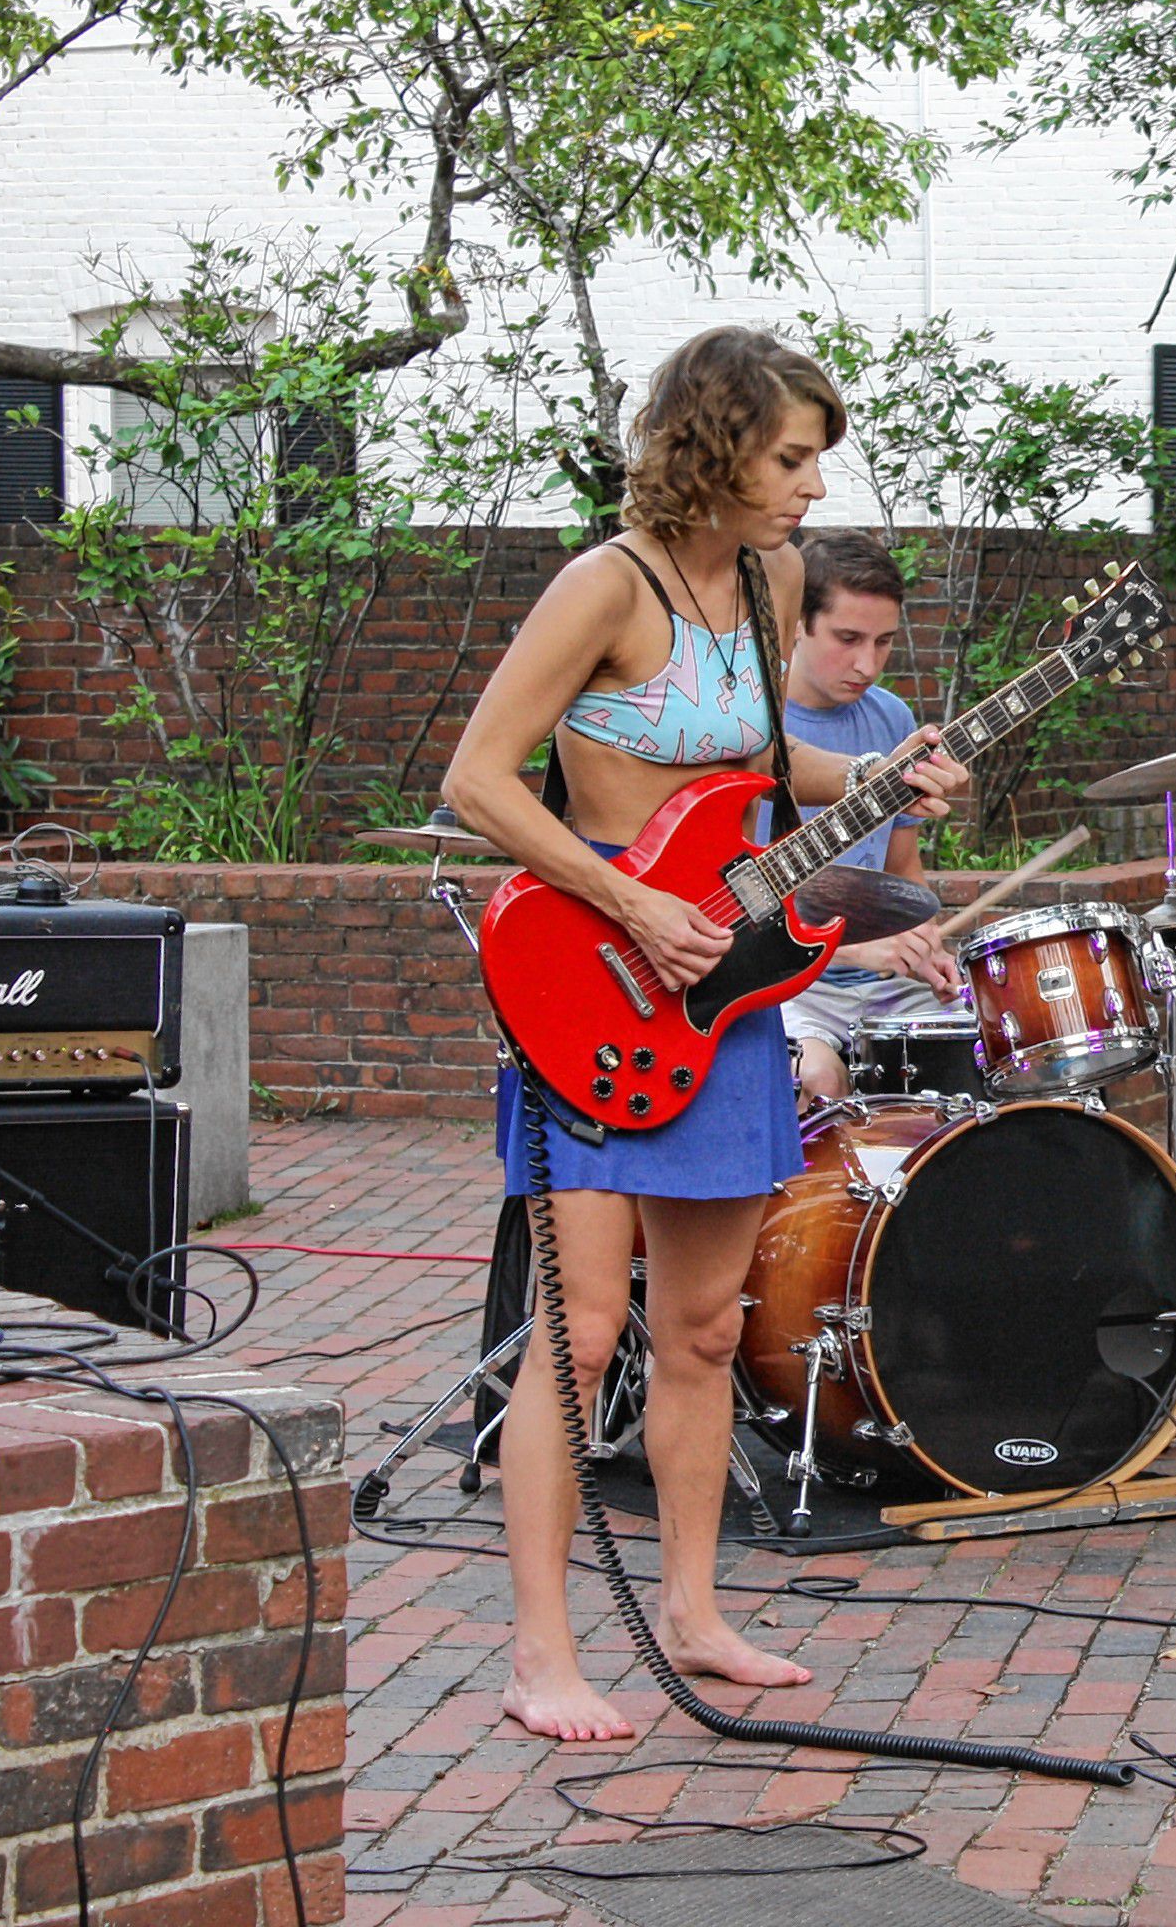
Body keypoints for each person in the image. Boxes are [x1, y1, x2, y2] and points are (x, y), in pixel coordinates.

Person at [442, 325, 970, 1742]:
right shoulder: (599, 587)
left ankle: (693, 1611)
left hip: (724, 1002)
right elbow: (480, 782)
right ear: (718, 442)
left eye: (814, 460)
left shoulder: (773, 580)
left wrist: (876, 775)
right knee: (582, 1331)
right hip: (589, 995)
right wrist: (623, 896)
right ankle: (543, 1653)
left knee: (700, 1329)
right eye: (792, 456)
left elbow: (751, 773)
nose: (810, 485)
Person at [776, 531, 968, 1103]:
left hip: (883, 984)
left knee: (990, 1047)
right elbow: (740, 917)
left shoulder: (891, 717)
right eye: (848, 638)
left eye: (884, 642)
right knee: (818, 1080)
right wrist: (857, 949)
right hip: (786, 987)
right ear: (796, 624)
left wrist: (925, 941)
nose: (867, 663)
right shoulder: (751, 727)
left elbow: (900, 867)